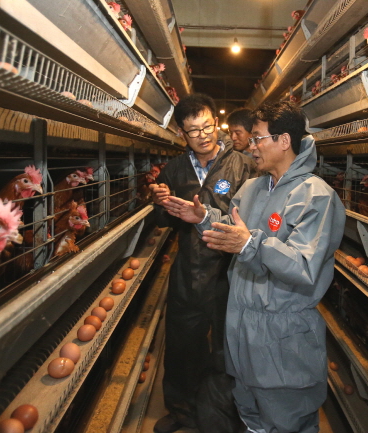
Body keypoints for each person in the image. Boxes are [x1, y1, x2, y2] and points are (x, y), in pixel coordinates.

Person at [163, 101, 346, 433]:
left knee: (286, 421)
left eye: (258, 138)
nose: (251, 145)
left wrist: (251, 245)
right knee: (252, 419)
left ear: (284, 140)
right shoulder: (253, 188)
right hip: (242, 328)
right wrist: (203, 217)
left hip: (282, 336)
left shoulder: (316, 197)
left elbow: (305, 266)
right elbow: (232, 229)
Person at [149, 93, 254, 433]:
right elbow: (163, 223)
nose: (203, 135)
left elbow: (256, 215)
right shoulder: (175, 170)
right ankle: (182, 412)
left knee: (228, 347)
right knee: (182, 344)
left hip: (229, 271)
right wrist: (159, 203)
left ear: (216, 123)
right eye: (194, 131)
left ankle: (228, 415)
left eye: (208, 126)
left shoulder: (242, 164)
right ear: (182, 133)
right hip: (189, 270)